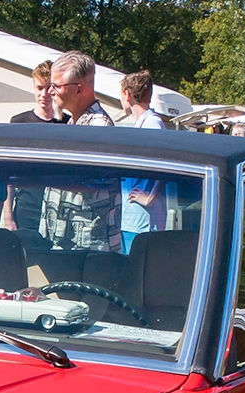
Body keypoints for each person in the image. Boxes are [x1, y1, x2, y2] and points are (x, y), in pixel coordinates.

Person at [118, 70, 165, 251]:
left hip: (143, 221)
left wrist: (150, 198)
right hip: (130, 219)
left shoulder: (152, 124)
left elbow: (165, 165)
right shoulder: (140, 124)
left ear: (128, 95)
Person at [50, 51, 112, 127]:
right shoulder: (75, 121)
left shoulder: (99, 126)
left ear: (78, 89)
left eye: (56, 86)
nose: (50, 91)